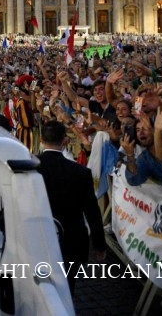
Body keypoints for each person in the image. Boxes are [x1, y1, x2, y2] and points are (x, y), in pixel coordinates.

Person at [36, 121, 106, 295]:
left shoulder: (28, 167)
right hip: (71, 240)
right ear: (65, 141)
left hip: (36, 237)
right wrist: (99, 244)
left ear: (42, 139)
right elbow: (92, 211)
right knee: (67, 289)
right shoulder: (81, 173)